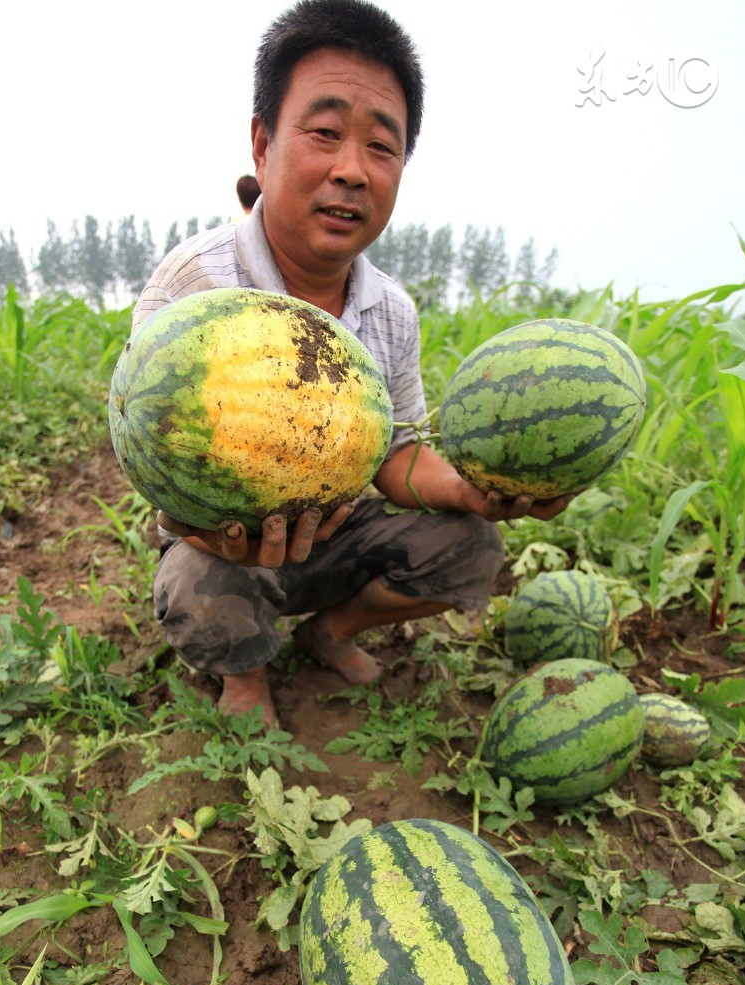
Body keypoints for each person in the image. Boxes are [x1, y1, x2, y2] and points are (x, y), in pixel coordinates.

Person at [133, 0, 571, 726]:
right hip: (226, 542)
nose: (352, 171)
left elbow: (396, 453)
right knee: (195, 586)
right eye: (326, 133)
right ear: (262, 143)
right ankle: (246, 675)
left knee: (470, 547)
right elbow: (155, 457)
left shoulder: (391, 310)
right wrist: (209, 527)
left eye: (381, 147)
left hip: (339, 526)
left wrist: (473, 492)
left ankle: (329, 631)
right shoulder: (195, 286)